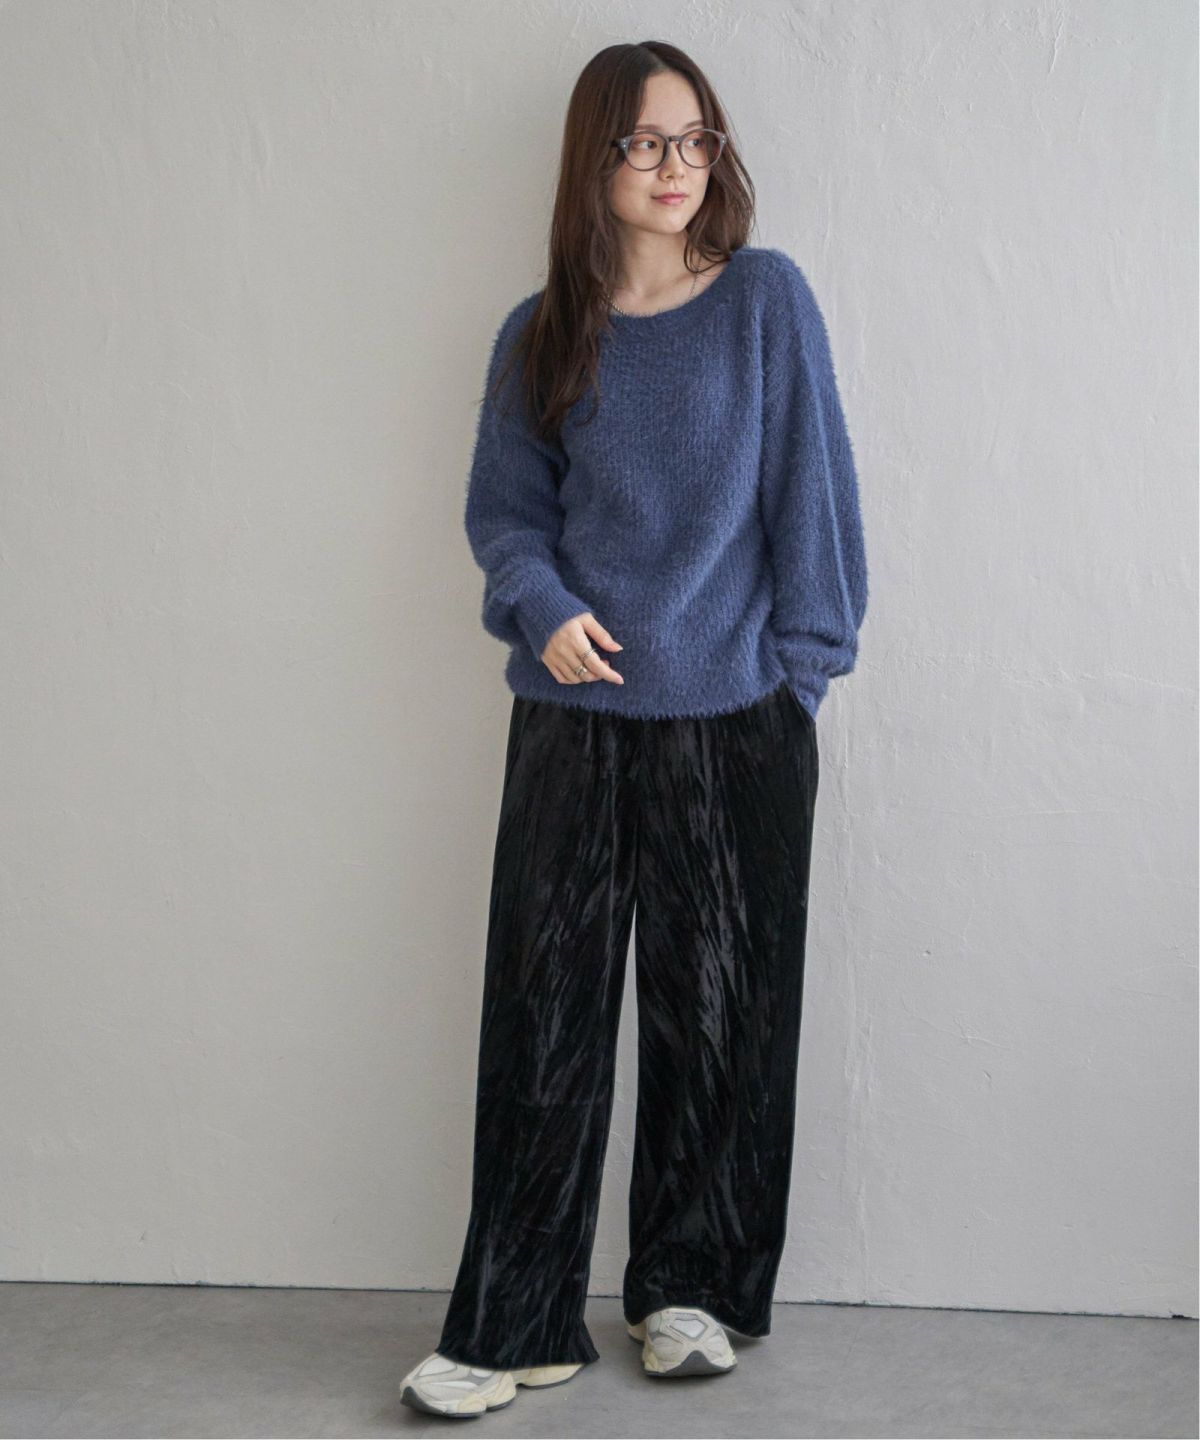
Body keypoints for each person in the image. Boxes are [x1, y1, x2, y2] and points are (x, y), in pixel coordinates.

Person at [400, 38, 868, 1420]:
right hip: (573, 719)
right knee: (541, 1021)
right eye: (647, 142)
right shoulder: (541, 331)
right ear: (593, 159)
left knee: (721, 1020)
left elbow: (815, 499)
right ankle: (515, 1323)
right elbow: (505, 515)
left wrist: (802, 676)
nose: (677, 167)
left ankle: (689, 1293)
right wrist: (540, 606)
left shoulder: (767, 303)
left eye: (696, 139)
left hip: (740, 716)